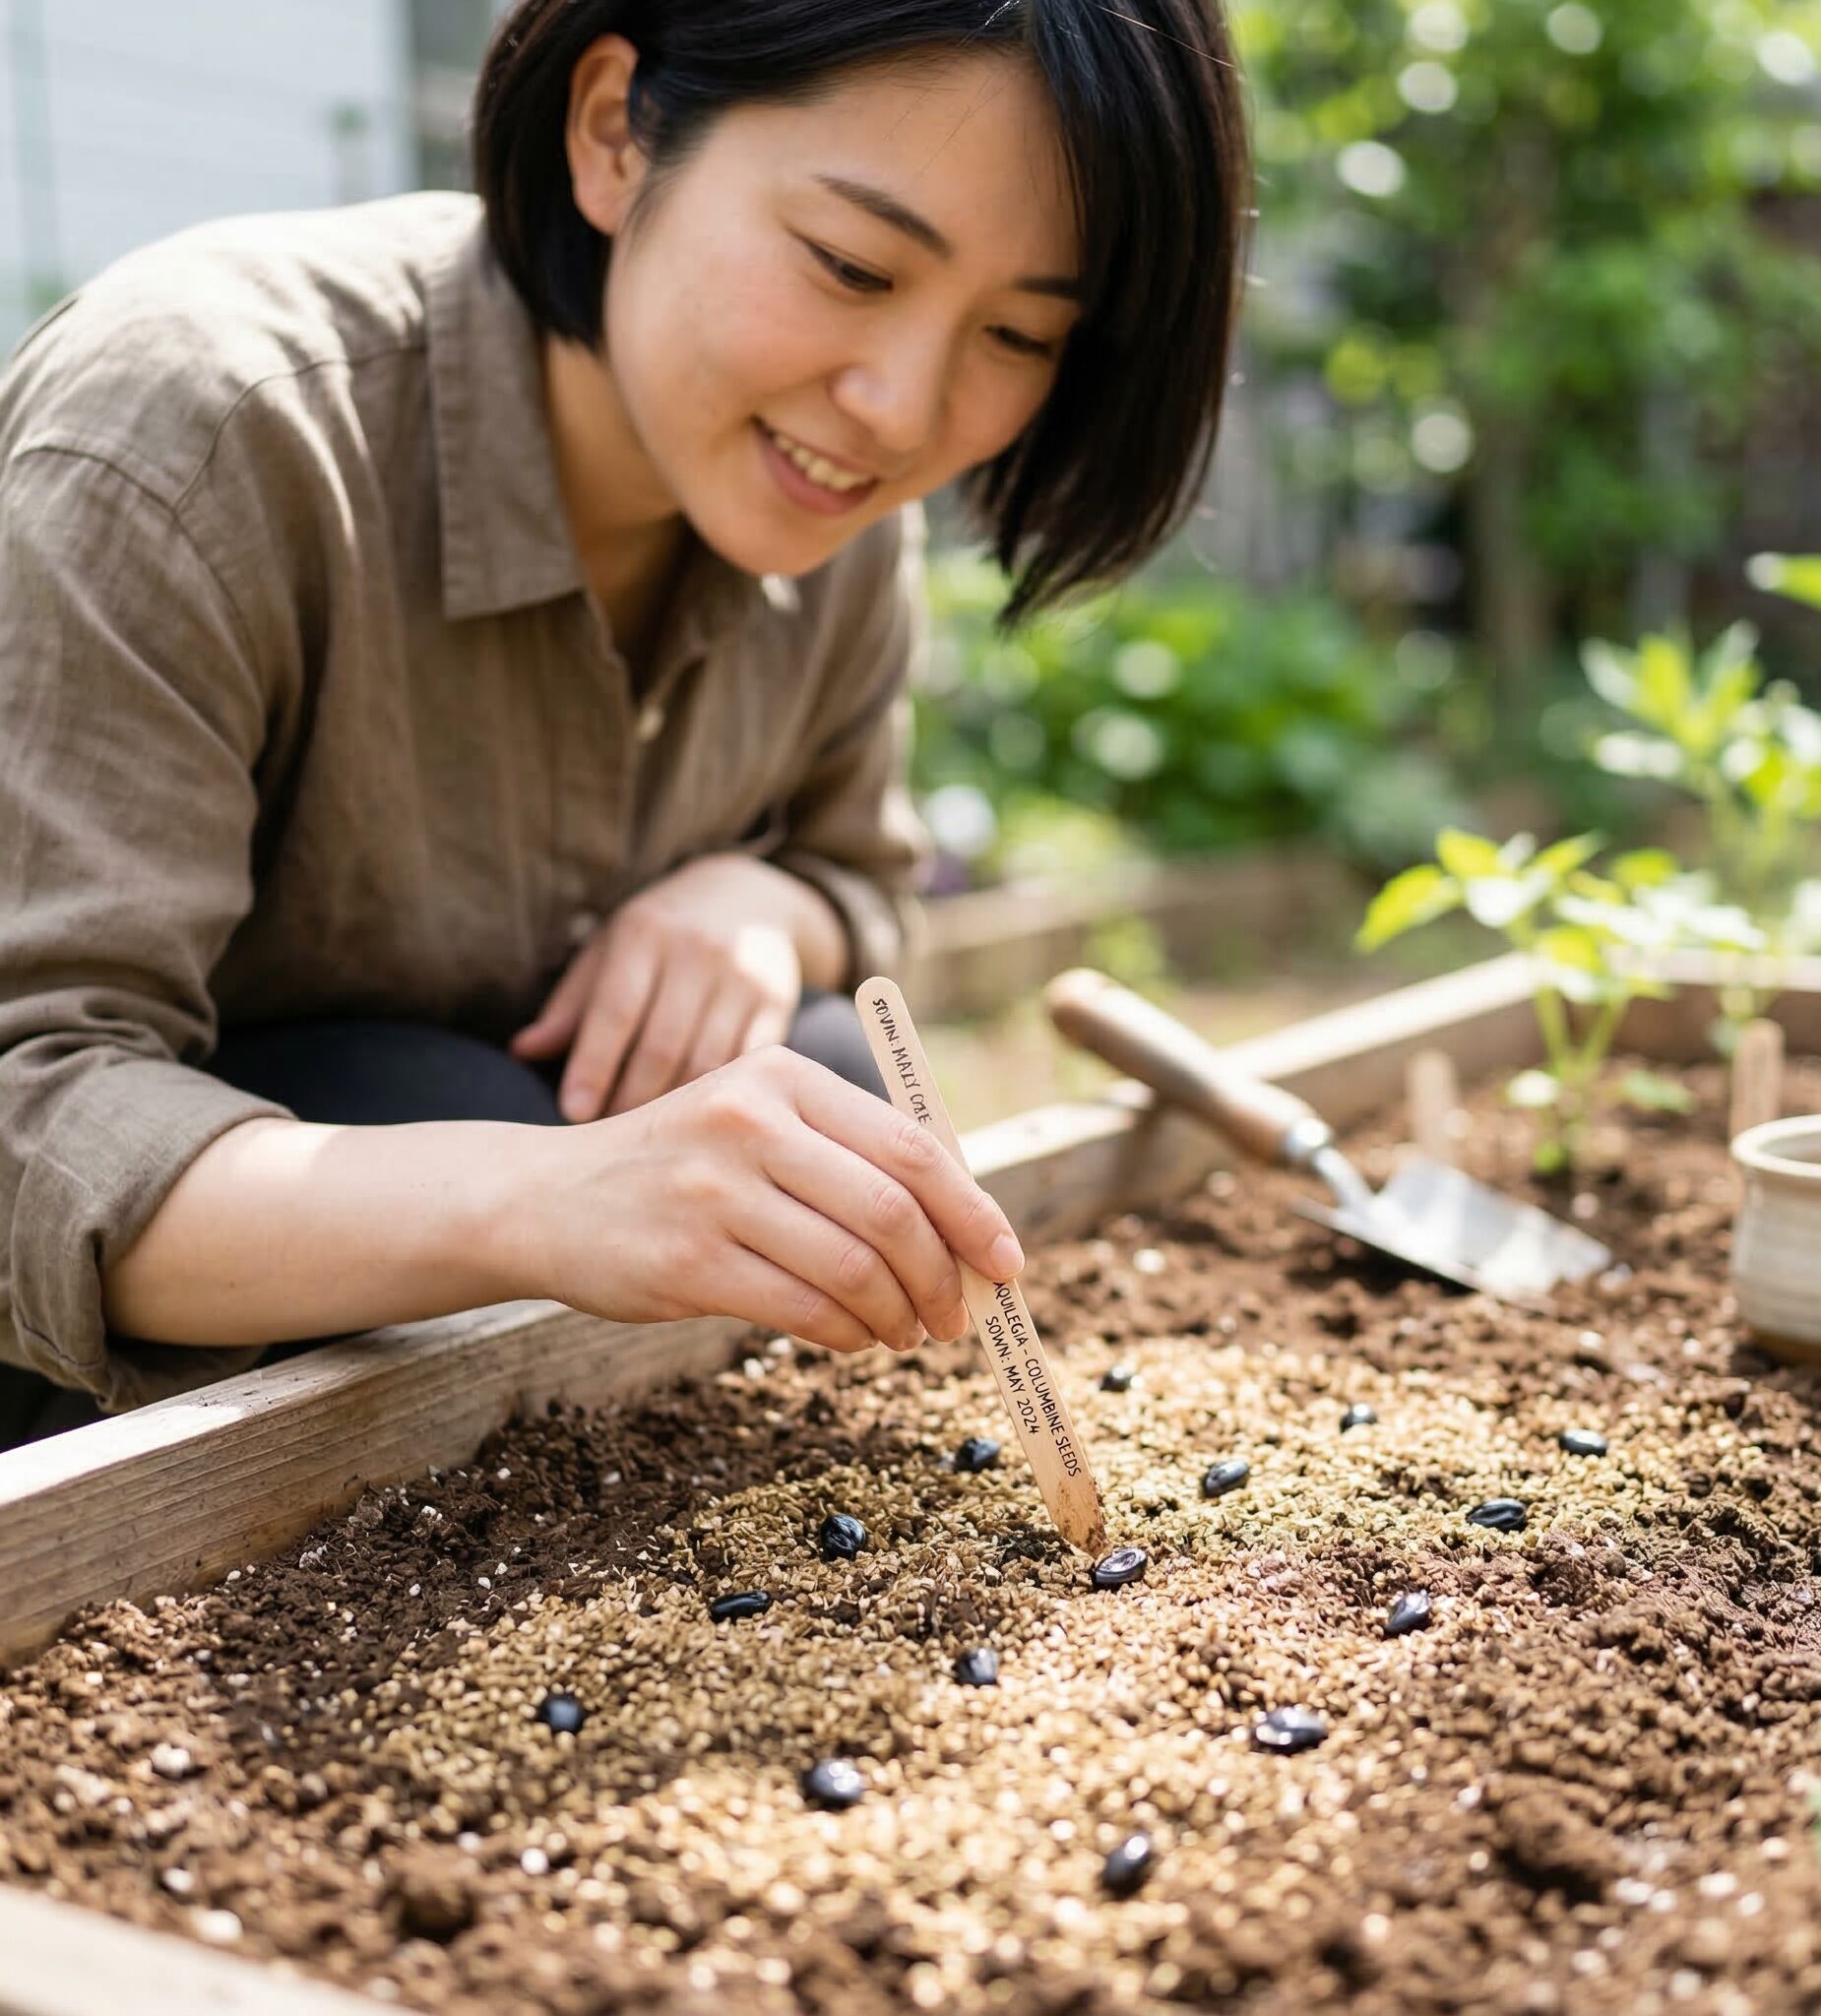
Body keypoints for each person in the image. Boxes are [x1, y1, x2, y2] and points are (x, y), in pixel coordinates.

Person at [0, 0, 1251, 1447]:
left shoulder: (824, 507)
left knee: (829, 1081)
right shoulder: (201, 437)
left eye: (1020, 332)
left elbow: (867, 881)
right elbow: (27, 1114)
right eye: (851, 266)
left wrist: (769, 904)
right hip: (96, 1389)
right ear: (614, 133)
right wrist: (553, 1201)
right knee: (451, 1102)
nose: (902, 411)